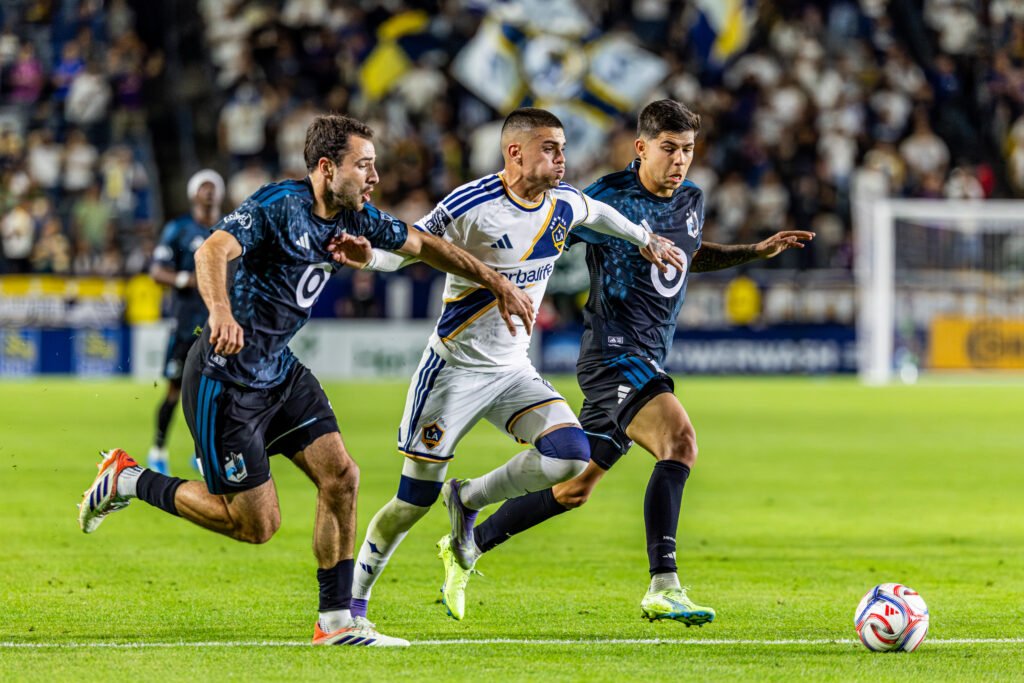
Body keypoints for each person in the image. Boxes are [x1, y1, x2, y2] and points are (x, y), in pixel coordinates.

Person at [76, 114, 534, 647]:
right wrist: (220, 312)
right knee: (255, 525)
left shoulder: (355, 218)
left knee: (342, 476)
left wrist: (496, 280)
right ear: (326, 168)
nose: (374, 177)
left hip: (280, 371)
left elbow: (427, 246)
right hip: (227, 379)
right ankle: (127, 480)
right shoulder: (279, 205)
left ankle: (336, 622)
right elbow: (211, 251)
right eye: (363, 165)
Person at [443, 100, 814, 625]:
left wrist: (753, 251)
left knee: (573, 488)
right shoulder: (606, 198)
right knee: (679, 442)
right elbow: (544, 238)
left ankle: (468, 527)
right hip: (614, 355)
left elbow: (688, 253)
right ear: (641, 148)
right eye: (668, 149)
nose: (680, 160)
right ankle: (664, 585)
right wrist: (501, 285)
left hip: (647, 354)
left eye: (687, 149)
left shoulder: (691, 199)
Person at [347, 107, 682, 622]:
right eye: (550, 148)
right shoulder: (472, 204)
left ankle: (469, 499)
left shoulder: (564, 204)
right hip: (453, 372)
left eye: (564, 148)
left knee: (571, 455)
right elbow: (411, 246)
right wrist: (368, 256)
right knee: (411, 501)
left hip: (511, 370)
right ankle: (353, 604)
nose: (561, 158)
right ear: (515, 152)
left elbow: (598, 214)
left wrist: (646, 239)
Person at [147, 169, 225, 475]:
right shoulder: (178, 229)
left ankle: (203, 454)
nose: (209, 192)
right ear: (194, 194)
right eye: (203, 187)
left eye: (213, 187)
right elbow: (156, 271)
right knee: (174, 391)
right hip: (185, 326)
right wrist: (188, 279)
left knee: (216, 393)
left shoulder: (226, 229)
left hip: (217, 326)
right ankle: (158, 449)